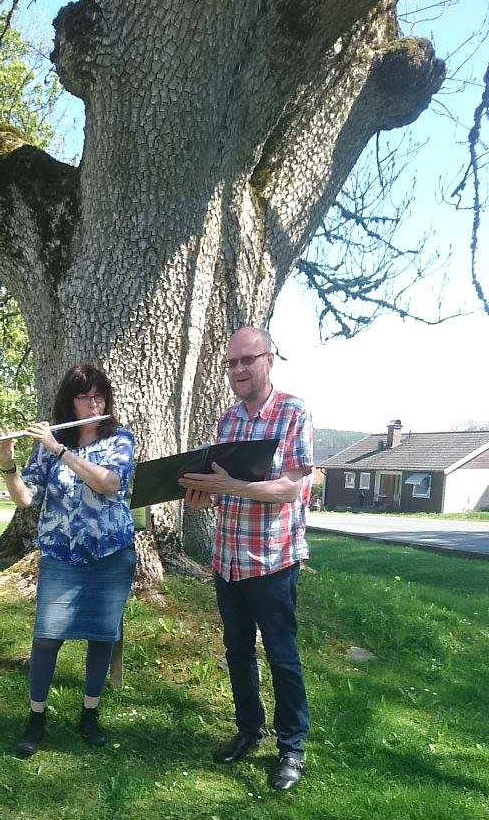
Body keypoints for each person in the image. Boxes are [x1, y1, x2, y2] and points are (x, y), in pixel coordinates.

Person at [179, 326, 313, 791]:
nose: (238, 369)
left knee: (282, 656)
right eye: (231, 362)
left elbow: (290, 488)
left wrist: (231, 486)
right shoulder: (228, 422)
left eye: (247, 360)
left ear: (269, 360)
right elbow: (224, 492)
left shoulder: (293, 412)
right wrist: (204, 497)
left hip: (272, 561)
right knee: (237, 651)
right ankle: (249, 731)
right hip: (228, 560)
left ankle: (291, 748)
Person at [0, 363, 136, 758]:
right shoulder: (49, 443)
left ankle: (90, 714)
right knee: (47, 636)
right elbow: (25, 498)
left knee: (102, 635)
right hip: (60, 552)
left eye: (99, 396)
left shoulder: (119, 439)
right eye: (84, 397)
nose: (93, 405)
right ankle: (36, 718)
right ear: (68, 402)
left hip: (110, 553)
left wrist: (61, 451)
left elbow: (109, 483)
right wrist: (7, 463)